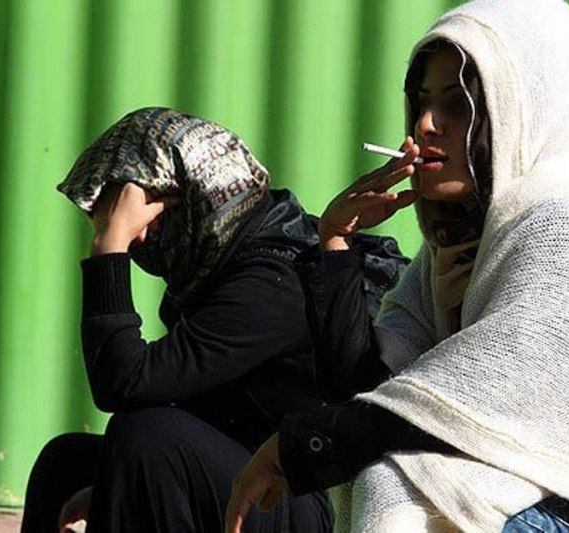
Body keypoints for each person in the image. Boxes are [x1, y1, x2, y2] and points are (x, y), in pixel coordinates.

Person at [225, 0, 569, 532]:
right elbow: (370, 392)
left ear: (526, 114)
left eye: (458, 105)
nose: (425, 125)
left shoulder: (565, 236)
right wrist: (336, 242)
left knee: (406, 479)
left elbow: (423, 417)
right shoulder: (455, 256)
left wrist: (301, 447)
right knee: (397, 471)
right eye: (421, 102)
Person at [21, 108, 363, 532]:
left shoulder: (275, 282)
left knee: (145, 436)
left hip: (313, 503)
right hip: (251, 471)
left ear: (201, 193)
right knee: (67, 462)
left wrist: (109, 250)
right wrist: (112, 487)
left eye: (146, 215)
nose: (137, 235)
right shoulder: (225, 264)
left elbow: (123, 383)